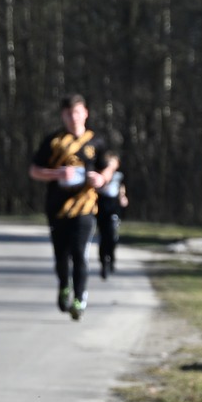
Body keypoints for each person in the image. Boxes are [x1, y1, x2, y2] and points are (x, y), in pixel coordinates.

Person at [29, 95, 115, 320]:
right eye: (68, 113)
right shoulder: (53, 141)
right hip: (57, 207)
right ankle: (64, 286)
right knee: (61, 255)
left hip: (86, 207)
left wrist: (101, 179)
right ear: (62, 115)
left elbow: (108, 168)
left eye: (76, 112)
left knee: (80, 253)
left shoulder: (95, 141)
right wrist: (57, 173)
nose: (73, 118)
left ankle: (79, 297)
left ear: (85, 113)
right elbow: (34, 170)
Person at [96, 160, 128, 280]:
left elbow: (122, 190)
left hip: (114, 209)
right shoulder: (99, 175)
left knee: (112, 236)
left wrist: (123, 198)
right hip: (100, 209)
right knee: (103, 238)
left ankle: (112, 257)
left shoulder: (119, 176)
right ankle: (103, 263)